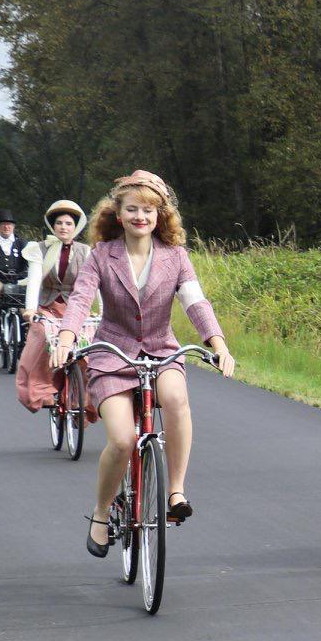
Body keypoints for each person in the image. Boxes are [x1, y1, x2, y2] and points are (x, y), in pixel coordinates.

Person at [49, 171, 236, 556]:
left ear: (159, 214)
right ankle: (102, 513)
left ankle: (175, 492)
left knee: (176, 398)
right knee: (122, 439)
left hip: (160, 349)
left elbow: (195, 302)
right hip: (111, 355)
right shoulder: (103, 255)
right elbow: (82, 299)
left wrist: (218, 344)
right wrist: (66, 339)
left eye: (148, 210)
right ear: (118, 214)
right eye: (132, 209)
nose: (140, 216)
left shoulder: (176, 257)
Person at [16, 199, 97, 420]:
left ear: (76, 226)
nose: (64, 227)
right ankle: (43, 390)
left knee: (90, 345)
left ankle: (83, 395)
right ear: (53, 225)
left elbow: (97, 283)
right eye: (59, 223)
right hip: (48, 307)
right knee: (41, 335)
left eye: (69, 223)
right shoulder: (39, 249)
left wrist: (106, 312)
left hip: (76, 309)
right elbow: (34, 281)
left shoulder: (86, 252)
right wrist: (30, 309)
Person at [0, 208, 36, 348]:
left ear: (14, 226)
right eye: (3, 224)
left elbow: (31, 256)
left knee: (25, 306)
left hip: (18, 278)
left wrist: (35, 265)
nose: (6, 227)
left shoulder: (21, 242)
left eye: (9, 224)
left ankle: (26, 334)